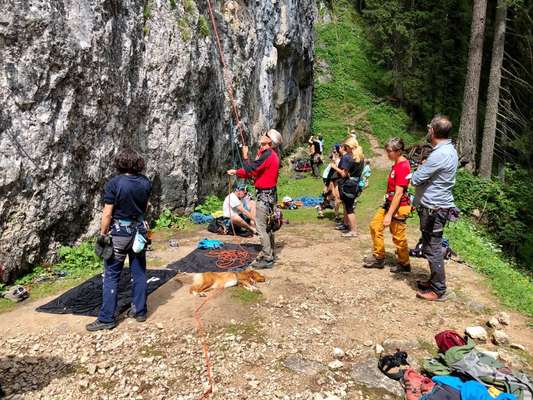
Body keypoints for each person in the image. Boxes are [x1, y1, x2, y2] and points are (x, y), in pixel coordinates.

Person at [86, 148, 152, 331]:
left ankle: (107, 319)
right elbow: (146, 205)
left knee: (111, 275)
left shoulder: (114, 183)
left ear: (119, 164)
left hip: (120, 234)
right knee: (138, 271)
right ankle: (140, 311)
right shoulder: (145, 182)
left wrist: (103, 233)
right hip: (139, 232)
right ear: (138, 164)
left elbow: (107, 213)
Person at [411, 115, 458, 301]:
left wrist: (421, 169)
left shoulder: (439, 154)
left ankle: (438, 289)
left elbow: (415, 179)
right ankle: (433, 281)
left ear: (433, 131)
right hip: (437, 205)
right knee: (431, 244)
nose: (428, 130)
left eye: (430, 127)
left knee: (433, 247)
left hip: (434, 207)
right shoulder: (448, 150)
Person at [227, 129, 283, 269]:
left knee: (260, 226)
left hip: (264, 195)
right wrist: (237, 172)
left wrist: (245, 157)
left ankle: (268, 257)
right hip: (269, 195)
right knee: (268, 225)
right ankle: (269, 252)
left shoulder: (268, 155)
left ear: (269, 142)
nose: (262, 135)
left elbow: (251, 169)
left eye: (266, 135)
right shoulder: (269, 154)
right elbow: (254, 171)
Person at [363, 138, 412, 272]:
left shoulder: (403, 166)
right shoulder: (396, 164)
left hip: (399, 206)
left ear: (398, 151)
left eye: (389, 151)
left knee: (398, 236)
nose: (387, 154)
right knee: (375, 225)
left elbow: (399, 193)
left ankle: (404, 263)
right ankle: (379, 257)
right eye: (387, 151)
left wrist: (389, 215)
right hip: (389, 203)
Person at [329, 136, 364, 237]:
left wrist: (334, 167)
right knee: (347, 205)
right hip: (355, 183)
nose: (345, 148)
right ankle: (346, 224)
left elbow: (344, 174)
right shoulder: (360, 157)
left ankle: (353, 231)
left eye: (346, 146)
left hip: (349, 185)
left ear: (350, 147)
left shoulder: (349, 157)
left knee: (349, 208)